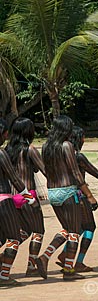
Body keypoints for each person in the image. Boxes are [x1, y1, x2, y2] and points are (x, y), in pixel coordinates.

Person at [35, 115, 97, 280]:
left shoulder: (47, 146)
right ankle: (69, 270)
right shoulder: (67, 146)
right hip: (68, 191)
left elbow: (46, 171)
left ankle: (45, 256)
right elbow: (76, 173)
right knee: (75, 232)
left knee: (67, 229)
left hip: (53, 192)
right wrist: (89, 196)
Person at [58, 126, 98, 272]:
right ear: (78, 139)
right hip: (79, 195)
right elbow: (96, 173)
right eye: (83, 137)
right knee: (89, 227)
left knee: (75, 228)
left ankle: (63, 254)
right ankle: (78, 261)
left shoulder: (61, 155)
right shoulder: (78, 156)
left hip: (64, 194)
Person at [5, 117, 46, 276]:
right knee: (38, 231)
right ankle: (31, 266)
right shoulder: (29, 150)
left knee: (23, 231)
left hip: (11, 196)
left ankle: (5, 257)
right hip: (28, 195)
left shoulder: (7, 150)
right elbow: (43, 170)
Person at [0, 118, 36, 287]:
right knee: (14, 238)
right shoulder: (1, 154)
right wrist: (29, 197)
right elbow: (14, 178)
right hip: (3, 199)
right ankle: (4, 276)